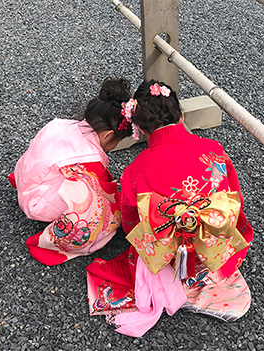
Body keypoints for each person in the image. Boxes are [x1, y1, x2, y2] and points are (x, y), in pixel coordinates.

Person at [86, 80, 254, 337]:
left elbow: (131, 223)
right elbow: (234, 199)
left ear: (140, 129)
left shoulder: (136, 171)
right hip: (212, 239)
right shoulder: (214, 150)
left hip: (166, 251)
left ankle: (176, 280)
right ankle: (207, 273)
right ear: (182, 115)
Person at [8, 78, 136, 266]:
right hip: (36, 203)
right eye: (116, 141)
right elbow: (100, 192)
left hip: (26, 178)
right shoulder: (89, 157)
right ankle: (60, 238)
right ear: (108, 135)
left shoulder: (60, 125)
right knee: (99, 206)